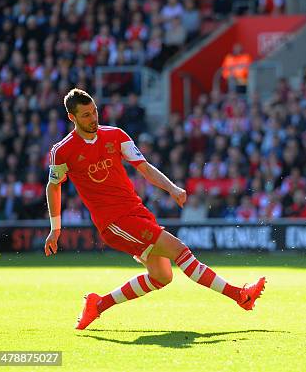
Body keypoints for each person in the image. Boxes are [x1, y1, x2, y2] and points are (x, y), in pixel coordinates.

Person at [44, 89, 266, 330]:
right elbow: (53, 187)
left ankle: (97, 305)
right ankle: (240, 296)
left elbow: (145, 168)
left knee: (162, 276)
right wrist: (56, 229)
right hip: (114, 222)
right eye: (86, 115)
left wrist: (171, 188)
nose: (94, 118)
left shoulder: (115, 135)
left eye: (95, 111)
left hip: (136, 211)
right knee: (180, 251)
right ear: (72, 117)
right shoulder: (62, 151)